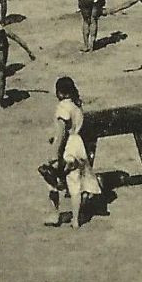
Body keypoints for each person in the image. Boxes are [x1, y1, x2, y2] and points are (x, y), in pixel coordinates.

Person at [45, 76, 100, 229]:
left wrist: (54, 153)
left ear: (60, 93)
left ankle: (54, 213)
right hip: (78, 145)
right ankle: (75, 219)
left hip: (67, 146)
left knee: (51, 180)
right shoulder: (77, 107)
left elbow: (62, 133)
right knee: (75, 183)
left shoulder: (63, 107)